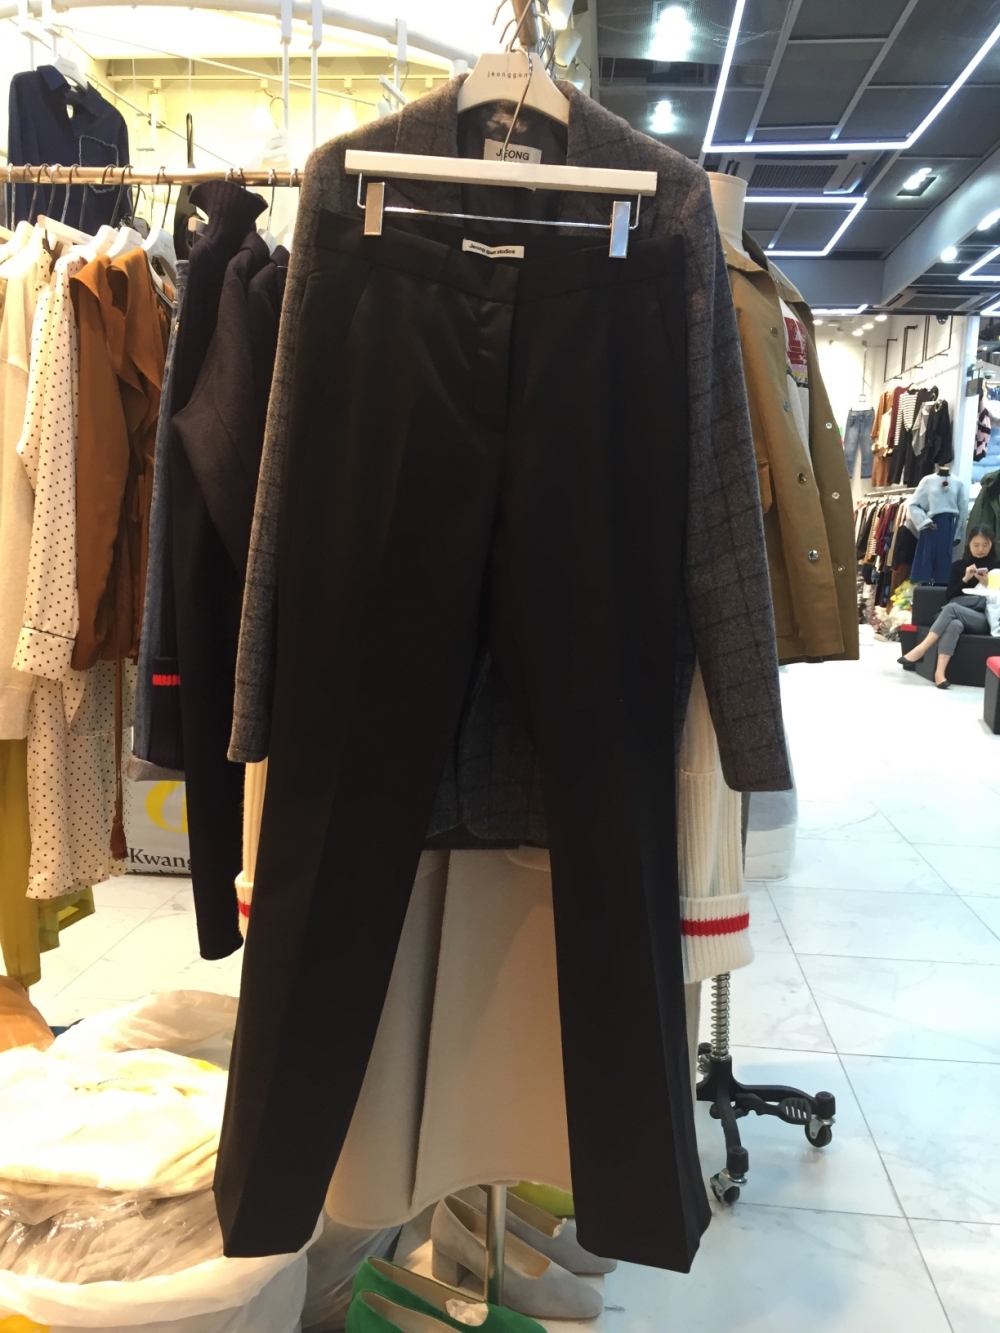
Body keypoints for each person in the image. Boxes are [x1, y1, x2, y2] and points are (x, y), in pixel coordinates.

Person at [898, 525, 998, 688]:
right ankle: (940, 674)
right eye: (976, 545)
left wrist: (990, 583)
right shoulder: (959, 566)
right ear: (969, 544)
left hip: (984, 617)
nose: (980, 549)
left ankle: (921, 649)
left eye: (985, 545)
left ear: (992, 544)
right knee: (954, 624)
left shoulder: (997, 567)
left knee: (951, 609)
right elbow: (950, 595)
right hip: (959, 613)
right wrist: (965, 579)